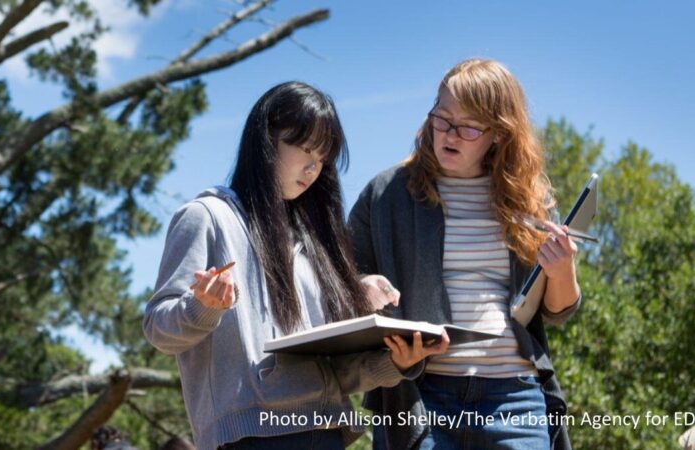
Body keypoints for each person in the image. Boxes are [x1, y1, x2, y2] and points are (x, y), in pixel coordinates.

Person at [143, 81, 448, 450]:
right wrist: (202, 308)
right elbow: (159, 329)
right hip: (249, 435)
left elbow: (328, 371)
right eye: (304, 149)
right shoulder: (207, 217)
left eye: (322, 159)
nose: (312, 168)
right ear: (266, 139)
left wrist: (396, 363)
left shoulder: (314, 243)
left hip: (328, 432)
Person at [350, 58, 582, 450]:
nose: (449, 134)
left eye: (469, 126)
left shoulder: (529, 201)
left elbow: (559, 312)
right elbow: (339, 282)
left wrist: (562, 269)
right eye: (442, 119)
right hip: (420, 396)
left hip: (514, 399)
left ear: (499, 134)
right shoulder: (386, 194)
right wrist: (363, 288)